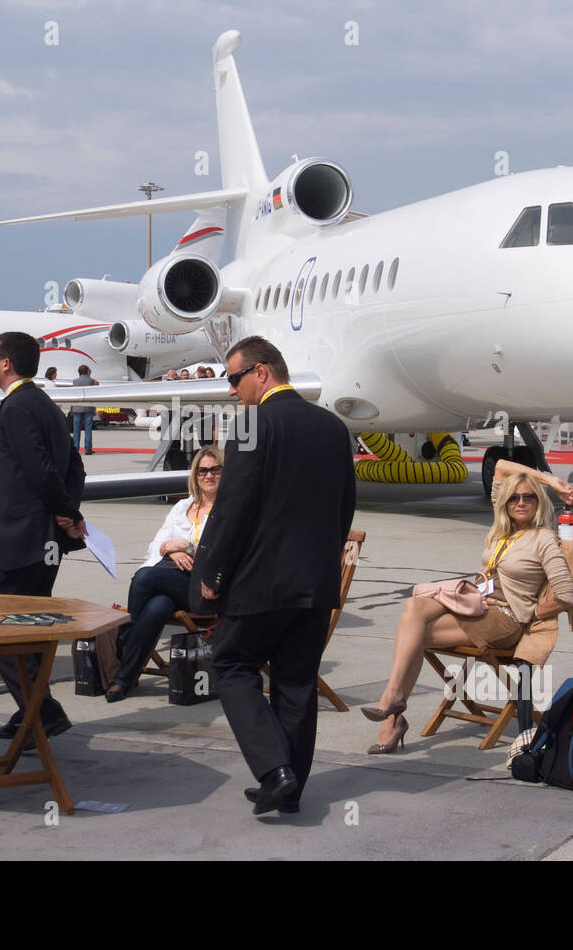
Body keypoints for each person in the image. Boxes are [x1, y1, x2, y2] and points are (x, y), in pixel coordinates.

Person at [193, 337, 356, 815]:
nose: (229, 391)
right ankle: (291, 789)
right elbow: (346, 505)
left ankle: (273, 769)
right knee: (296, 683)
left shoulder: (250, 425)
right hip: (314, 582)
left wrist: (213, 572)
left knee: (231, 665)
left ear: (261, 373)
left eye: (233, 378)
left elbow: (232, 508)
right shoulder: (331, 426)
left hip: (259, 582)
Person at [363, 459, 573, 754]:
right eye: (514, 497)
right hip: (477, 603)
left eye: (529, 496)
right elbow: (501, 466)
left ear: (538, 502)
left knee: (413, 636)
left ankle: (392, 714)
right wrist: (550, 480)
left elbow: (567, 595)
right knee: (414, 608)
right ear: (506, 503)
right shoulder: (502, 526)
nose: (521, 502)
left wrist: (531, 614)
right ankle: (394, 699)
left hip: (505, 619)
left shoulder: (543, 539)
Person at [0, 331, 86, 745]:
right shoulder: (47, 405)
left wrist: (65, 511)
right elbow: (74, 467)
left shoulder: (18, 406)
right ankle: (30, 713)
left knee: (0, 628)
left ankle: (44, 712)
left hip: (20, 539)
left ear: (6, 363)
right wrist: (68, 512)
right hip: (46, 540)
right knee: (31, 630)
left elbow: (40, 470)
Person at [106, 445, 224, 702]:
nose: (209, 475)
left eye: (215, 469)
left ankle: (127, 637)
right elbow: (155, 546)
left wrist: (187, 547)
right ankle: (123, 680)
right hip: (175, 581)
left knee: (146, 577)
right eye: (203, 470)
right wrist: (171, 551)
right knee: (158, 606)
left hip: (207, 588)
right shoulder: (183, 507)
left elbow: (221, 552)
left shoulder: (228, 510)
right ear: (195, 475)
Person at [70, 363, 98, 456]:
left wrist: (72, 408)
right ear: (87, 371)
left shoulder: (75, 381)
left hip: (77, 407)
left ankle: (75, 448)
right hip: (88, 407)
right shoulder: (92, 381)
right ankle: (88, 449)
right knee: (88, 428)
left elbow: (73, 396)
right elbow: (95, 393)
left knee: (76, 430)